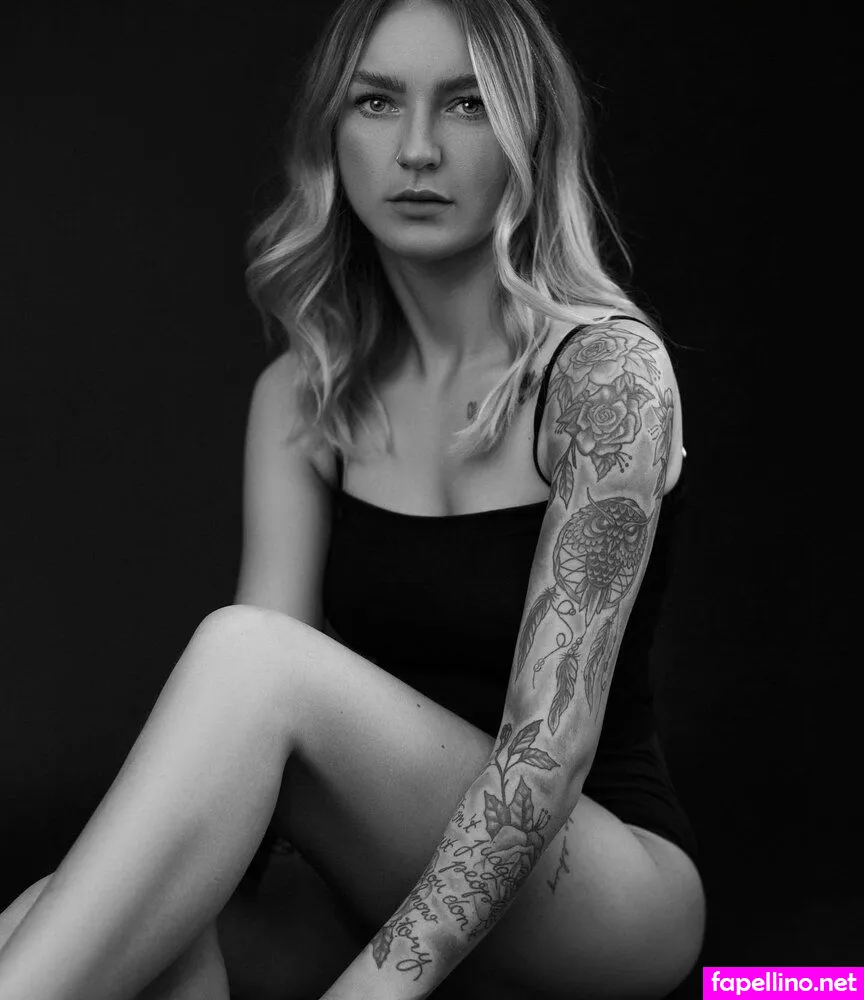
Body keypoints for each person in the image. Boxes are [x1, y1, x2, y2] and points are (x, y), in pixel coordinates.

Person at [0, 0, 706, 997]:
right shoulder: (304, 395)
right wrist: (170, 914)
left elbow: (547, 751)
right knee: (67, 925)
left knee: (248, 656)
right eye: (377, 102)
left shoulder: (606, 376)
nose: (417, 148)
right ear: (329, 135)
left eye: (466, 103)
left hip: (598, 885)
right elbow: (241, 751)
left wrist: (380, 984)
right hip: (376, 872)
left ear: (530, 134)